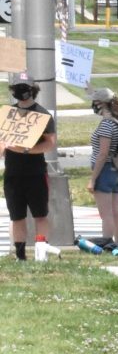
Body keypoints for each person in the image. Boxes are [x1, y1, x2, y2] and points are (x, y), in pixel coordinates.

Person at [5, 79, 57, 261]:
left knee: (40, 215)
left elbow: (50, 143)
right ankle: (20, 256)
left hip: (35, 173)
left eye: (23, 88)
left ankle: (40, 255)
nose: (19, 92)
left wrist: (27, 149)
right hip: (12, 173)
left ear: (32, 91)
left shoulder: (42, 115)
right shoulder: (8, 113)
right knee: (16, 216)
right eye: (16, 88)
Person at [87, 89, 118, 251]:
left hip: (104, 170)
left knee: (106, 213)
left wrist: (93, 178)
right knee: (116, 211)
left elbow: (103, 153)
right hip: (116, 170)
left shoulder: (106, 124)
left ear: (101, 104)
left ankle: (107, 242)